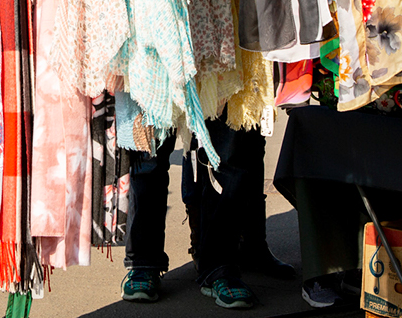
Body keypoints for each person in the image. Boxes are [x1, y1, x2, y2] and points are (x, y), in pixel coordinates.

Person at [121, 117, 295, 309]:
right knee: (149, 155)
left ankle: (220, 268)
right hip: (154, 86)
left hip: (221, 86)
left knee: (227, 157)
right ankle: (143, 263)